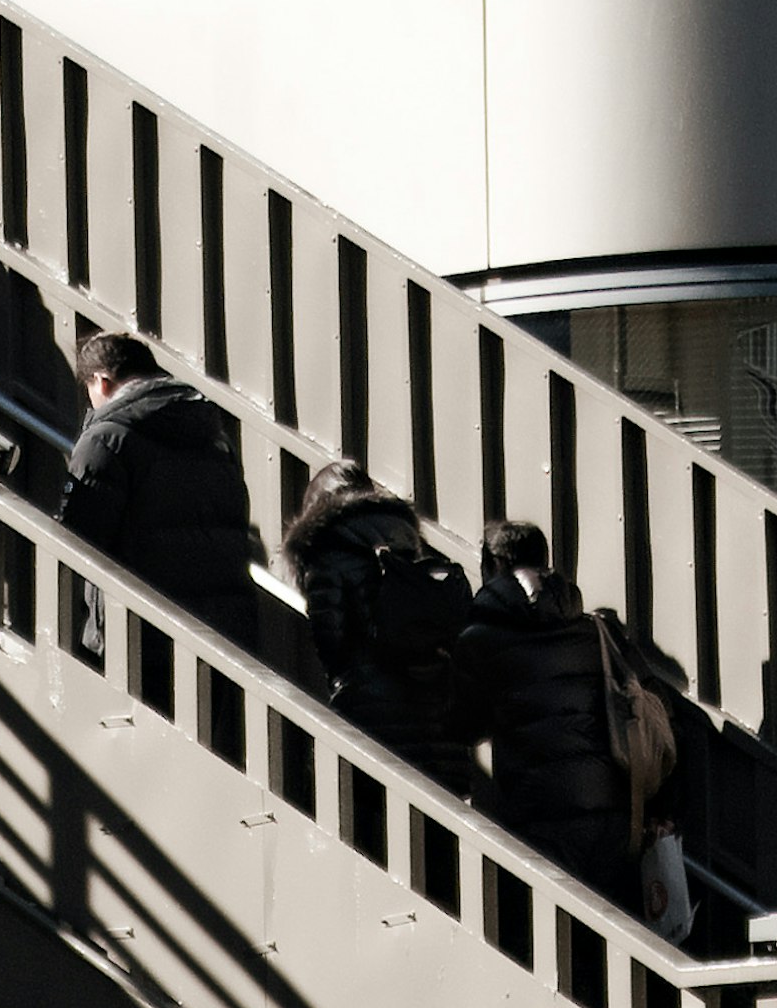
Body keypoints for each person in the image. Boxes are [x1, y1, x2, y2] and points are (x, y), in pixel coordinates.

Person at [454, 516, 655, 910]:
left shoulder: (478, 640)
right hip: (615, 813)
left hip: (537, 816)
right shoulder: (596, 629)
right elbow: (650, 701)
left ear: (492, 567)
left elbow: (464, 725)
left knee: (556, 937)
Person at [57, 332, 266, 649]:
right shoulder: (215, 434)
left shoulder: (106, 439)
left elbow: (78, 533)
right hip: (223, 630)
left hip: (138, 631)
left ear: (101, 381)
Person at [282, 455, 476, 785]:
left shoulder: (325, 548)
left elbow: (331, 640)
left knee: (372, 816)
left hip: (369, 709)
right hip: (434, 710)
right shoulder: (404, 541)